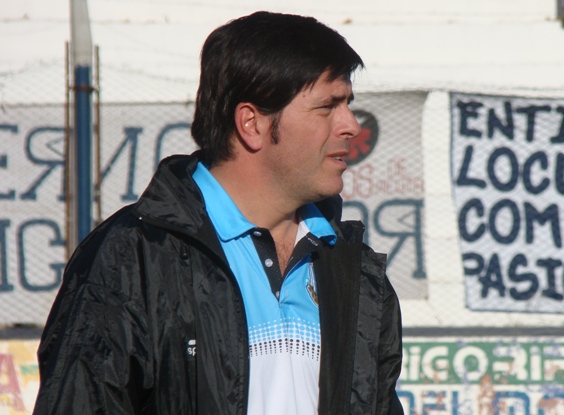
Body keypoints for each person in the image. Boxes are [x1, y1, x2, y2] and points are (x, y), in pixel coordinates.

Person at [33, 11, 404, 415]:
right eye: (327, 106)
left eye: (348, 104)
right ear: (252, 123)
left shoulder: (353, 270)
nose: (350, 125)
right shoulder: (133, 257)